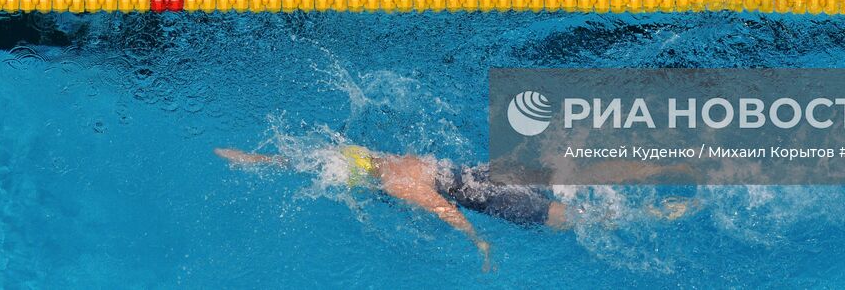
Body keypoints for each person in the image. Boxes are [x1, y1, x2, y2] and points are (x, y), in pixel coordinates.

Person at [215, 143, 700, 271]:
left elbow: (447, 211)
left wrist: (480, 243)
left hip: (492, 200)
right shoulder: (382, 160)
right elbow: (313, 160)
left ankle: (657, 215)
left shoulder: (398, 182)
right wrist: (255, 159)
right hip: (480, 174)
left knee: (572, 220)